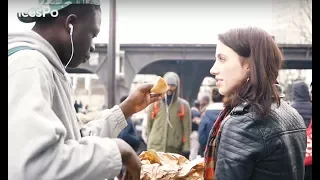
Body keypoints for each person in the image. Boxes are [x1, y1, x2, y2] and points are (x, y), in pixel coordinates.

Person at [8, 1, 164, 180]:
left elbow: (76, 141)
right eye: (93, 34)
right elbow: (34, 167)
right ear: (70, 24)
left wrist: (126, 109)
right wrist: (119, 150)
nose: (93, 46)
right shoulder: (29, 66)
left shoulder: (44, 67)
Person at [203, 27, 307, 180]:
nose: (213, 69)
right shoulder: (290, 113)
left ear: (250, 64)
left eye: (222, 59)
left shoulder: (242, 124)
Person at [147, 72, 192, 158]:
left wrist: (187, 148)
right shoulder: (155, 103)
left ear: (177, 87)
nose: (170, 88)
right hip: (155, 148)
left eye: (173, 85)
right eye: (167, 85)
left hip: (174, 149)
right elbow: (149, 125)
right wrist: (150, 141)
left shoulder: (183, 105)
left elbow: (187, 128)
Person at [198, 87, 224, 156]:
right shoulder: (229, 114)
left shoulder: (206, 114)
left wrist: (203, 150)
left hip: (209, 150)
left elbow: (201, 135)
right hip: (224, 152)